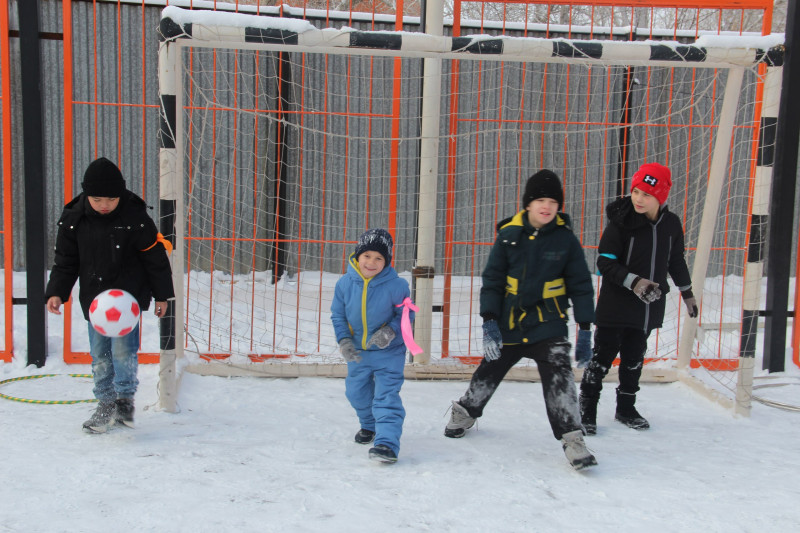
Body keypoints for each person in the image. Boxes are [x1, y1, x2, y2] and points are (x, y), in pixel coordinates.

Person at [444, 170, 598, 471]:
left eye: (553, 201)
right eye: (540, 200)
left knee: (561, 379)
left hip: (549, 324)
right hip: (510, 323)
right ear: (528, 203)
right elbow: (492, 281)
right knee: (488, 371)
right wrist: (490, 321)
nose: (546, 206)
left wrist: (585, 329)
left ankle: (573, 439)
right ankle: (466, 411)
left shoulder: (566, 240)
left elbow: (581, 286)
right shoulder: (508, 236)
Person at [45, 157, 174, 433]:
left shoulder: (136, 217)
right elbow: (65, 261)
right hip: (95, 302)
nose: (104, 205)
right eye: (97, 199)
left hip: (127, 301)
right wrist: (56, 291)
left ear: (121, 195)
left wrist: (162, 295)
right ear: (87, 195)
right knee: (100, 354)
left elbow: (155, 259)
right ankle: (105, 403)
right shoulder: (73, 219)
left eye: (111, 199)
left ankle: (124, 401)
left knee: (124, 352)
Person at [579, 162, 696, 435]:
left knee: (634, 360)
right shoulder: (621, 221)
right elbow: (605, 262)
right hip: (615, 306)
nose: (639, 199)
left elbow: (676, 260)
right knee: (601, 359)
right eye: (636, 192)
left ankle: (626, 408)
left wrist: (687, 292)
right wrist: (635, 282)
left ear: (660, 196)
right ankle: (587, 410)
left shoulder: (671, 224)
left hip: (647, 308)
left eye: (647, 194)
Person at [330, 228, 414, 464]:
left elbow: (406, 314)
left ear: (386, 261)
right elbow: (338, 315)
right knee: (355, 393)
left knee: (386, 397)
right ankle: (369, 424)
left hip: (389, 351)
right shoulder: (344, 284)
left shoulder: (397, 285)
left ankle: (387, 443)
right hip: (358, 352)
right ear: (358, 256)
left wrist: (390, 331)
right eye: (367, 256)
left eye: (379, 258)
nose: (371, 262)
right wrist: (344, 340)